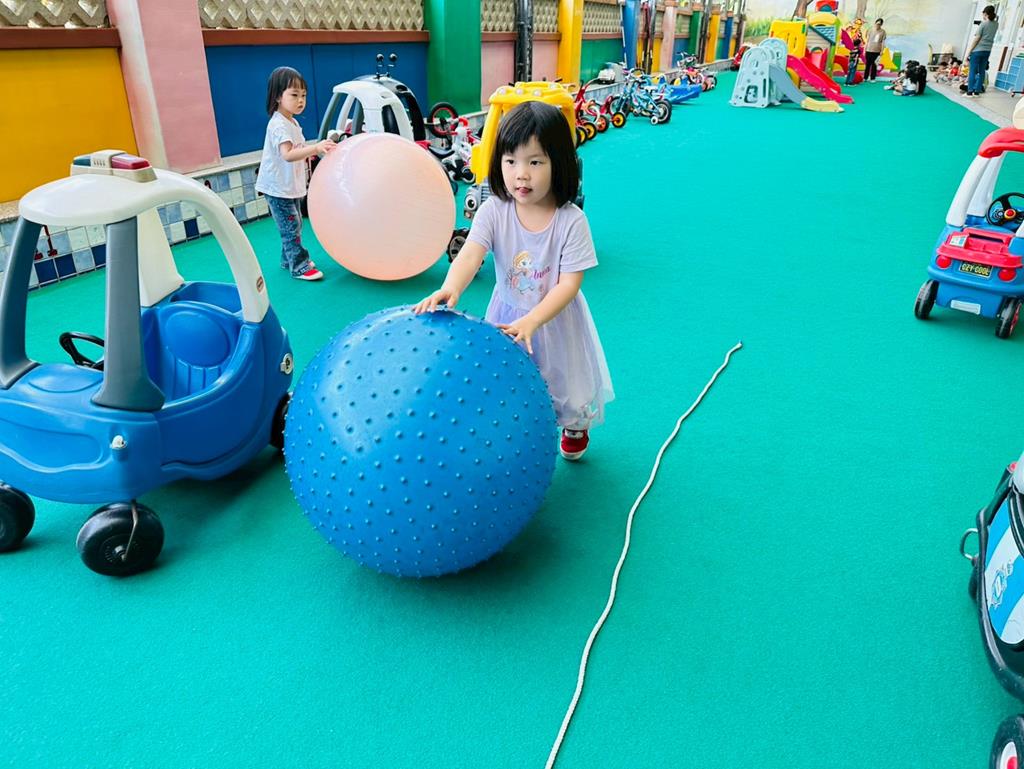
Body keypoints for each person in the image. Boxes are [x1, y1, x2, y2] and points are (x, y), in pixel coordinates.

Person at [414, 102, 613, 461]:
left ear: (559, 163)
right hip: (506, 315)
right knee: (507, 377)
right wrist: (451, 287)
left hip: (553, 319)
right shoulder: (494, 210)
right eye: (510, 161)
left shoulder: (571, 221)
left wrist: (534, 319)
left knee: (562, 380)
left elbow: (569, 284)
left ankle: (573, 423)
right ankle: (518, 429)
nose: (521, 174)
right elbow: (470, 254)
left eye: (535, 162)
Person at [255, 66, 336, 281]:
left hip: (288, 185)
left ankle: (288, 259)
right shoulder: (278, 125)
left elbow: (297, 150)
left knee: (294, 224)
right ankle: (299, 266)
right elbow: (288, 154)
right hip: (277, 187)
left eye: (303, 95)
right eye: (294, 95)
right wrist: (315, 148)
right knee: (291, 227)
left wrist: (315, 151)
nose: (300, 100)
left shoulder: (292, 122)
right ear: (277, 97)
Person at [966, 5, 999, 97]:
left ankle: (970, 91)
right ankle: (977, 91)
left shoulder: (983, 24)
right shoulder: (996, 24)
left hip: (977, 50)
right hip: (987, 50)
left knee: (972, 71)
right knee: (982, 71)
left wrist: (969, 51)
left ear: (985, 14)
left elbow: (977, 39)